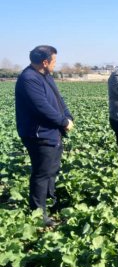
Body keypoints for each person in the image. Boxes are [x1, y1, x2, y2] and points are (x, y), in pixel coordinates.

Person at [15, 45, 74, 226]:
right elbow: (41, 107)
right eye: (54, 61)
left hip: (52, 132)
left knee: (51, 170)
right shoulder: (28, 79)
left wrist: (68, 115)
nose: (55, 64)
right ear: (45, 62)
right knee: (42, 173)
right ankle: (38, 214)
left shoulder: (46, 76)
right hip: (38, 134)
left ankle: (50, 202)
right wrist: (63, 122)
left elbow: (58, 99)